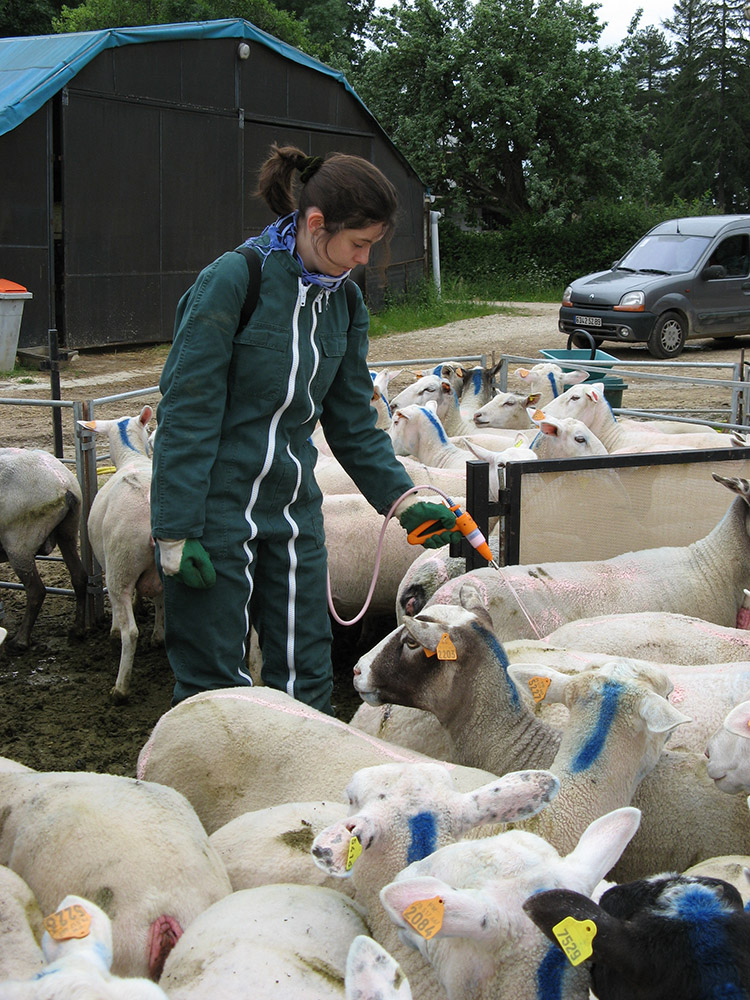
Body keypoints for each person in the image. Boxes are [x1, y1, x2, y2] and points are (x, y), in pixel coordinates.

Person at [150, 143, 457, 714]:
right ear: (317, 224)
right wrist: (173, 530)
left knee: (309, 673)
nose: (364, 259)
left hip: (293, 513)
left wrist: (404, 497)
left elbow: (354, 426)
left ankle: (300, 792)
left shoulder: (343, 305)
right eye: (358, 243)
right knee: (213, 681)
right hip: (216, 510)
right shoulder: (234, 281)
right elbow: (186, 413)